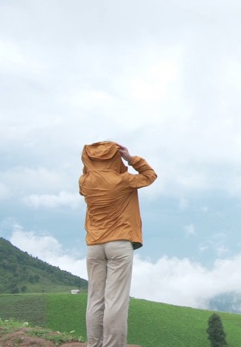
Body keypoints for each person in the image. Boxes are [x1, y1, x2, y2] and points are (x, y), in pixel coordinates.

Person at [79, 141, 157, 347]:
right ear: (115, 157)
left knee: (95, 298)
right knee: (116, 300)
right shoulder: (122, 180)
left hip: (94, 246)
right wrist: (131, 159)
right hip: (119, 244)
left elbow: (88, 173)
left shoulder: (85, 181)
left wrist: (92, 163)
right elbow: (150, 176)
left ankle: (94, 344)